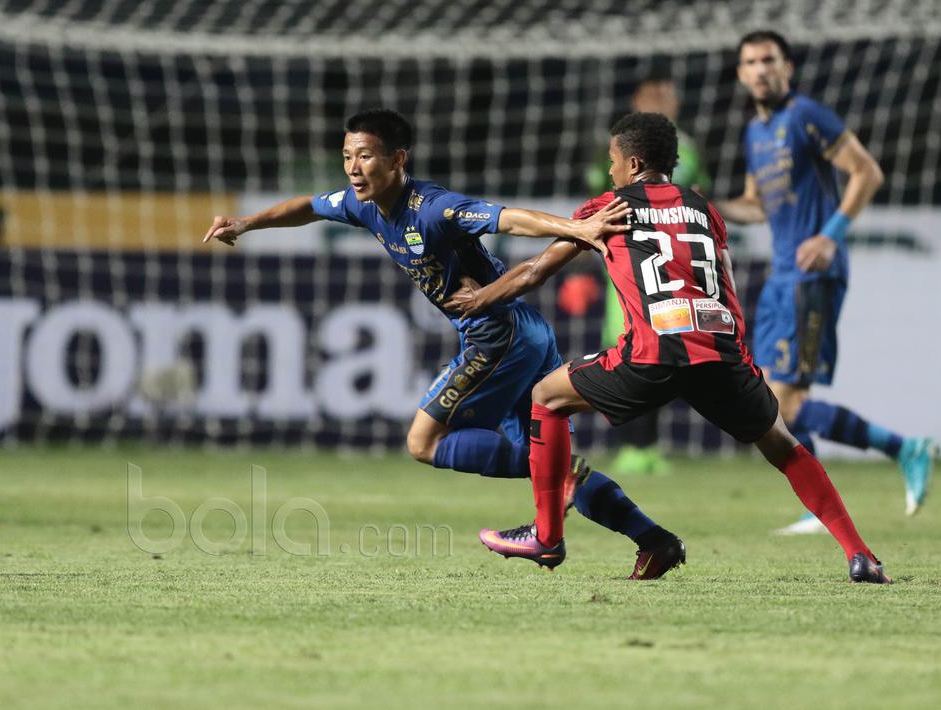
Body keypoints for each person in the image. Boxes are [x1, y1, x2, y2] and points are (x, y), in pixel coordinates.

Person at [203, 108, 686, 578]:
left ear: (398, 159)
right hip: (525, 331)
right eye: (347, 156)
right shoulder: (359, 203)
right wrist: (246, 223)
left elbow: (509, 219)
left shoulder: (433, 207)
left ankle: (561, 473)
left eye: (366, 156)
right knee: (547, 461)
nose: (353, 168)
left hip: (498, 335)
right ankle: (654, 539)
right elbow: (308, 207)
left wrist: (575, 227)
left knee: (423, 442)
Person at [457, 111, 893, 583]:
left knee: (546, 397)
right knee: (783, 446)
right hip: (718, 351)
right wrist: (737, 354)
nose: (610, 170)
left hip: (652, 354)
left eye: (613, 160)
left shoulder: (610, 207)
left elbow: (535, 272)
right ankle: (861, 555)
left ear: (634, 163)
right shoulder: (703, 208)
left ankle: (546, 536)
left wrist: (478, 299)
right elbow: (727, 287)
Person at [721, 30, 937, 535]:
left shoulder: (807, 116)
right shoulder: (755, 133)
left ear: (787, 67)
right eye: (751, 62)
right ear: (741, 74)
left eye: (769, 60)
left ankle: (905, 448)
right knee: (769, 400)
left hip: (813, 272)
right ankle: (817, 507)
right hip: (781, 275)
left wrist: (829, 236)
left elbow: (867, 172)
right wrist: (705, 204)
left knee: (786, 402)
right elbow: (755, 205)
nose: (760, 70)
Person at [578, 73, 713, 477]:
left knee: (668, 349)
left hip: (675, 267)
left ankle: (648, 445)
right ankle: (634, 445)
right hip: (628, 264)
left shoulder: (688, 150)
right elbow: (597, 200)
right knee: (628, 348)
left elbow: (700, 197)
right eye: (652, 96)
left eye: (666, 96)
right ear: (637, 100)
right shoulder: (616, 148)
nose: (660, 103)